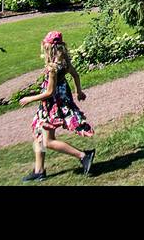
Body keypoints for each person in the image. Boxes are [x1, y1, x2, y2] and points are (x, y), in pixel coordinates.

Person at [19, 30, 94, 182]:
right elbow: (75, 75)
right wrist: (78, 91)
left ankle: (83, 156)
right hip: (57, 101)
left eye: (45, 45)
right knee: (39, 135)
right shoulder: (64, 61)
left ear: (50, 48)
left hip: (53, 105)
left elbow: (49, 92)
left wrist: (29, 99)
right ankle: (39, 170)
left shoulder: (53, 68)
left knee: (48, 141)